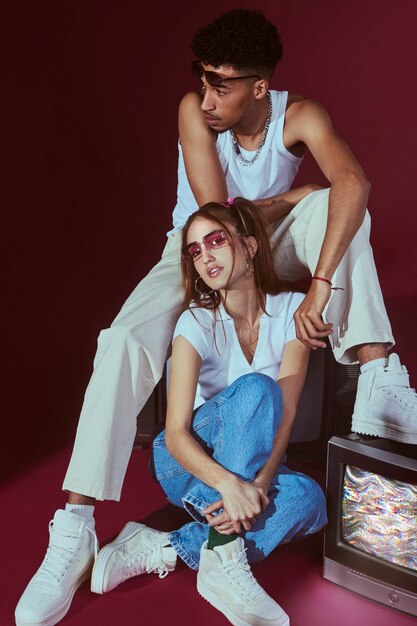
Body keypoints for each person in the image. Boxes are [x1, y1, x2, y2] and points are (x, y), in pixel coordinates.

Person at [15, 7, 417, 626]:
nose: (206, 95)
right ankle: (74, 528)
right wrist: (297, 195)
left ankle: (379, 377)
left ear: (260, 87)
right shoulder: (191, 112)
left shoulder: (298, 114)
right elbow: (217, 220)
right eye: (202, 78)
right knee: (120, 339)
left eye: (221, 84)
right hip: (196, 245)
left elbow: (354, 183)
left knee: (345, 205)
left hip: (262, 246)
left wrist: (317, 289)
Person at [89, 198, 327, 626]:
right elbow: (176, 432)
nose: (205, 256)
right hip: (184, 465)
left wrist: (258, 484)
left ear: (250, 247)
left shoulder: (293, 310)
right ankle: (223, 552)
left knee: (310, 501)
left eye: (215, 240)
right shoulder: (195, 321)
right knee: (256, 388)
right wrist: (227, 485)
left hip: (253, 467)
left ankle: (170, 546)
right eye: (194, 250)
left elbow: (286, 416)